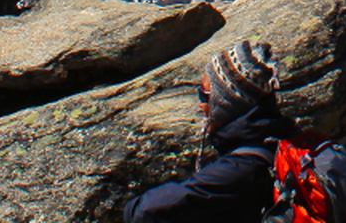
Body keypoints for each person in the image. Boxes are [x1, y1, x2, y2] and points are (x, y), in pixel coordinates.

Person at [124, 40, 297, 223]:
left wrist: (128, 207)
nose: (200, 104)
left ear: (226, 103)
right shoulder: (285, 141)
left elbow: (145, 211)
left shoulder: (241, 168)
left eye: (204, 95)